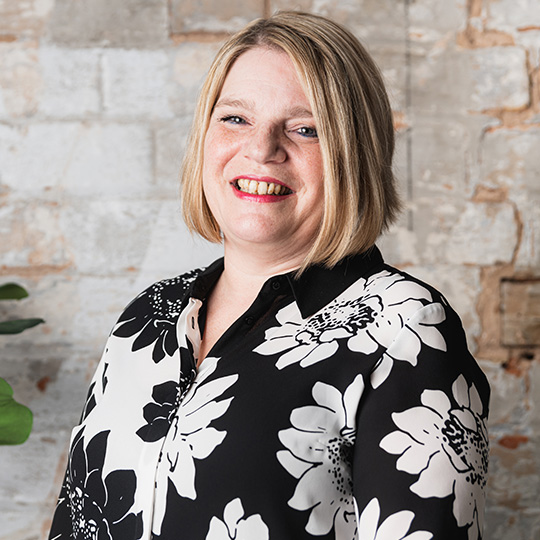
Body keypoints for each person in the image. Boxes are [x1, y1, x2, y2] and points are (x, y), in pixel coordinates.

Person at [49, 11, 490, 540]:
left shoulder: (405, 329)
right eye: (236, 119)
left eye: (305, 129)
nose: (261, 149)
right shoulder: (147, 318)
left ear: (356, 154)